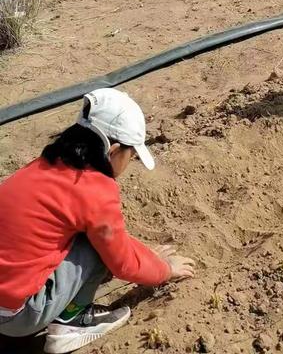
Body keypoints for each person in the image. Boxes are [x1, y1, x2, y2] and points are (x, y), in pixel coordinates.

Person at [0, 88, 195, 353]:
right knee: (93, 245)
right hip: (17, 317)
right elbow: (121, 260)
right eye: (131, 155)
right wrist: (164, 269)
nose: (130, 161)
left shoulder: (43, 165)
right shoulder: (95, 190)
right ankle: (72, 321)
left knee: (89, 236)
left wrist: (147, 255)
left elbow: (116, 239)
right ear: (114, 150)